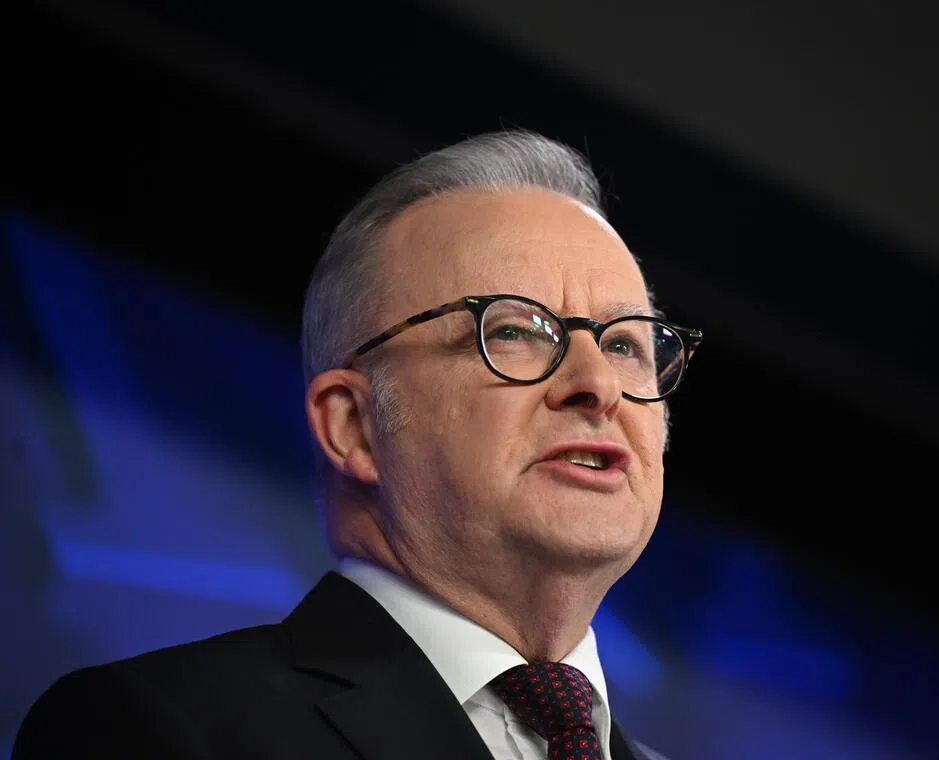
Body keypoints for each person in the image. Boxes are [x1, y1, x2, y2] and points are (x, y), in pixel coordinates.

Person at [12, 129, 701, 760]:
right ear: (353, 425)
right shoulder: (155, 729)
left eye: (624, 345)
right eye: (514, 332)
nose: (597, 386)